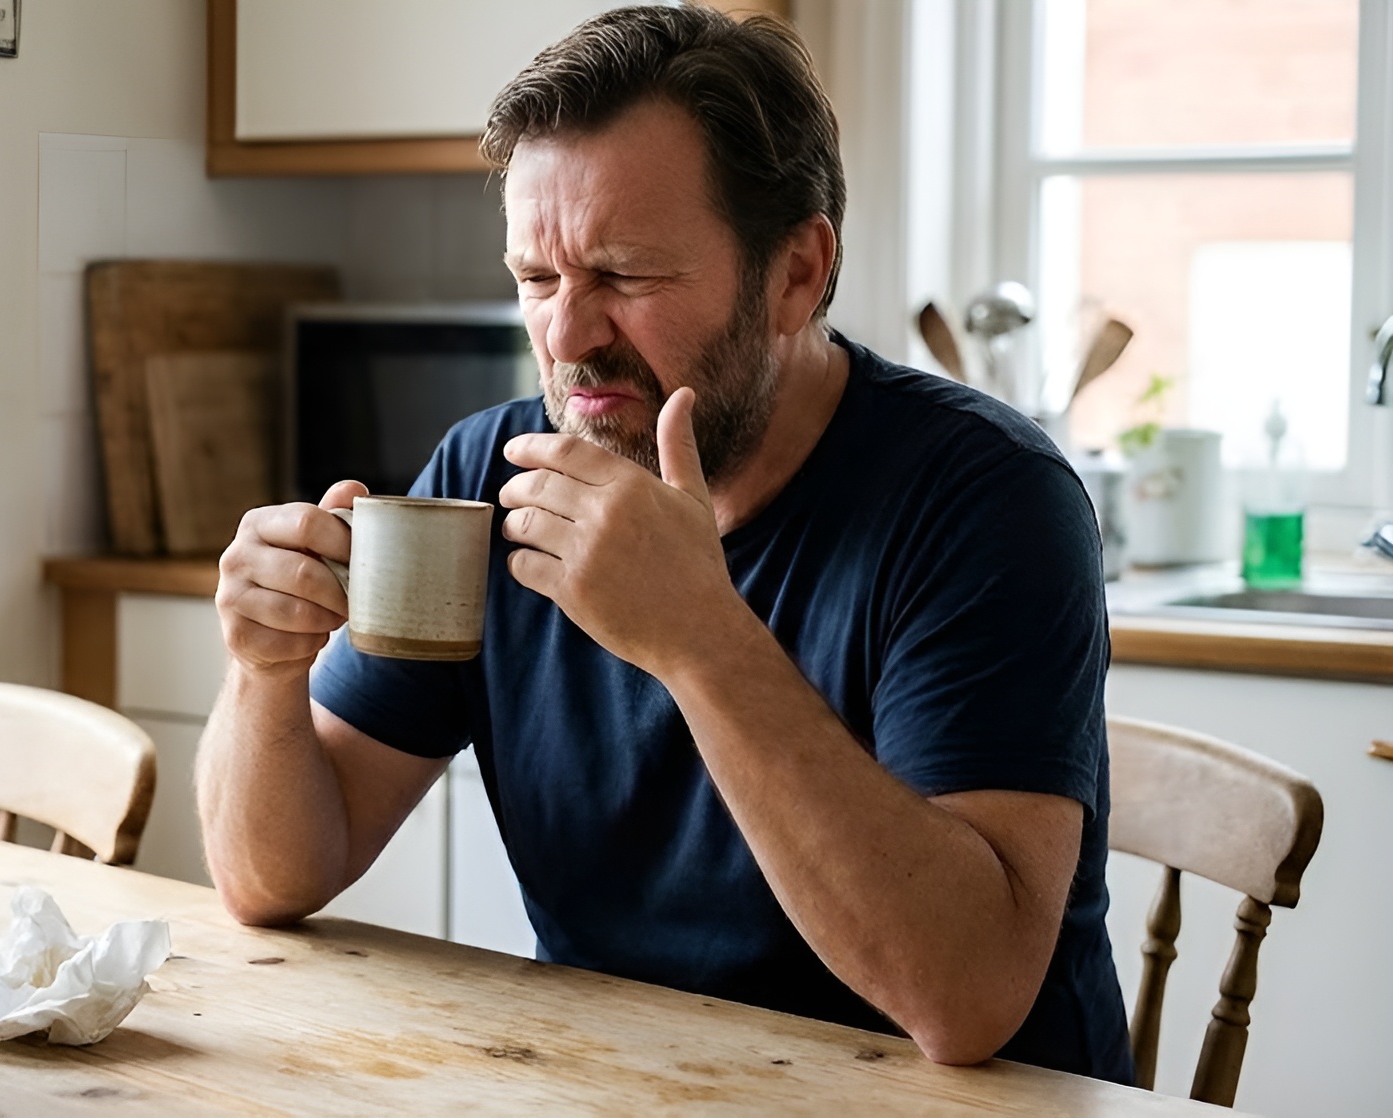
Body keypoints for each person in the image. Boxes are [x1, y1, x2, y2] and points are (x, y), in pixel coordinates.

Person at [196, 5, 1132, 1082]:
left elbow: (963, 996)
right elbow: (270, 876)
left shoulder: (986, 499)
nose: (564, 336)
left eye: (625, 275)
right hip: (620, 1080)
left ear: (795, 272)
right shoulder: (490, 478)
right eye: (537, 280)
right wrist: (264, 672)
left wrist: (697, 636)